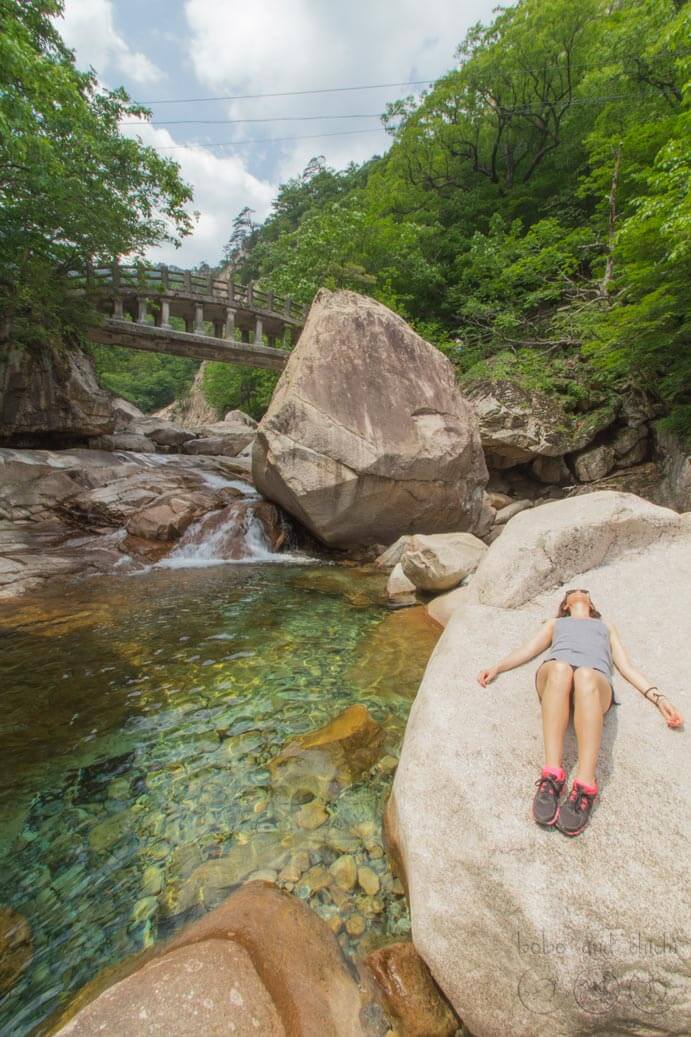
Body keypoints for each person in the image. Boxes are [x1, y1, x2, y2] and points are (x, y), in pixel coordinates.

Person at [476, 588, 684, 836]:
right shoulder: (556, 623)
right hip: (555, 678)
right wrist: (497, 666)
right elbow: (528, 649)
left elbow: (626, 667)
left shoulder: (606, 627)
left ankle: (586, 783)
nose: (579, 593)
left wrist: (658, 698)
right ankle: (552, 775)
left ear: (591, 602)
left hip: (594, 684)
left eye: (584, 592)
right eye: (572, 592)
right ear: (565, 605)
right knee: (562, 669)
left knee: (584, 674)